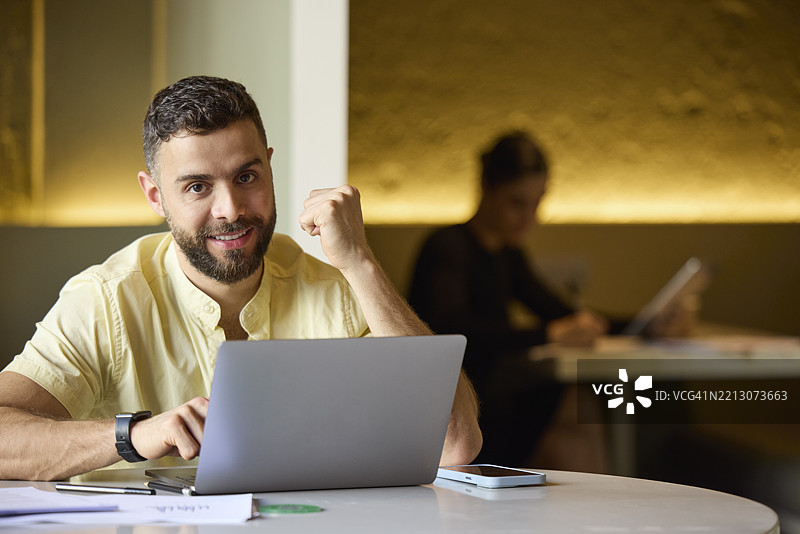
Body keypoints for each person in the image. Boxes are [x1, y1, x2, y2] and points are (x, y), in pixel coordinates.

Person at [0, 75, 482, 481]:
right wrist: (136, 435)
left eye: (246, 177)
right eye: (197, 187)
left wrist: (360, 263)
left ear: (270, 168)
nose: (230, 209)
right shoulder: (105, 299)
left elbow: (454, 444)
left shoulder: (338, 288)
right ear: (155, 196)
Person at [407, 131, 692, 467]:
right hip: (457, 414)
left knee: (577, 407)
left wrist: (648, 324)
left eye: (537, 202)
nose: (531, 218)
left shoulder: (507, 255)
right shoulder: (448, 247)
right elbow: (448, 329)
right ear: (486, 187)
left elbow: (560, 313)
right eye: (517, 203)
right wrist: (549, 335)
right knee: (574, 409)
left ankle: (596, 505)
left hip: (491, 400)